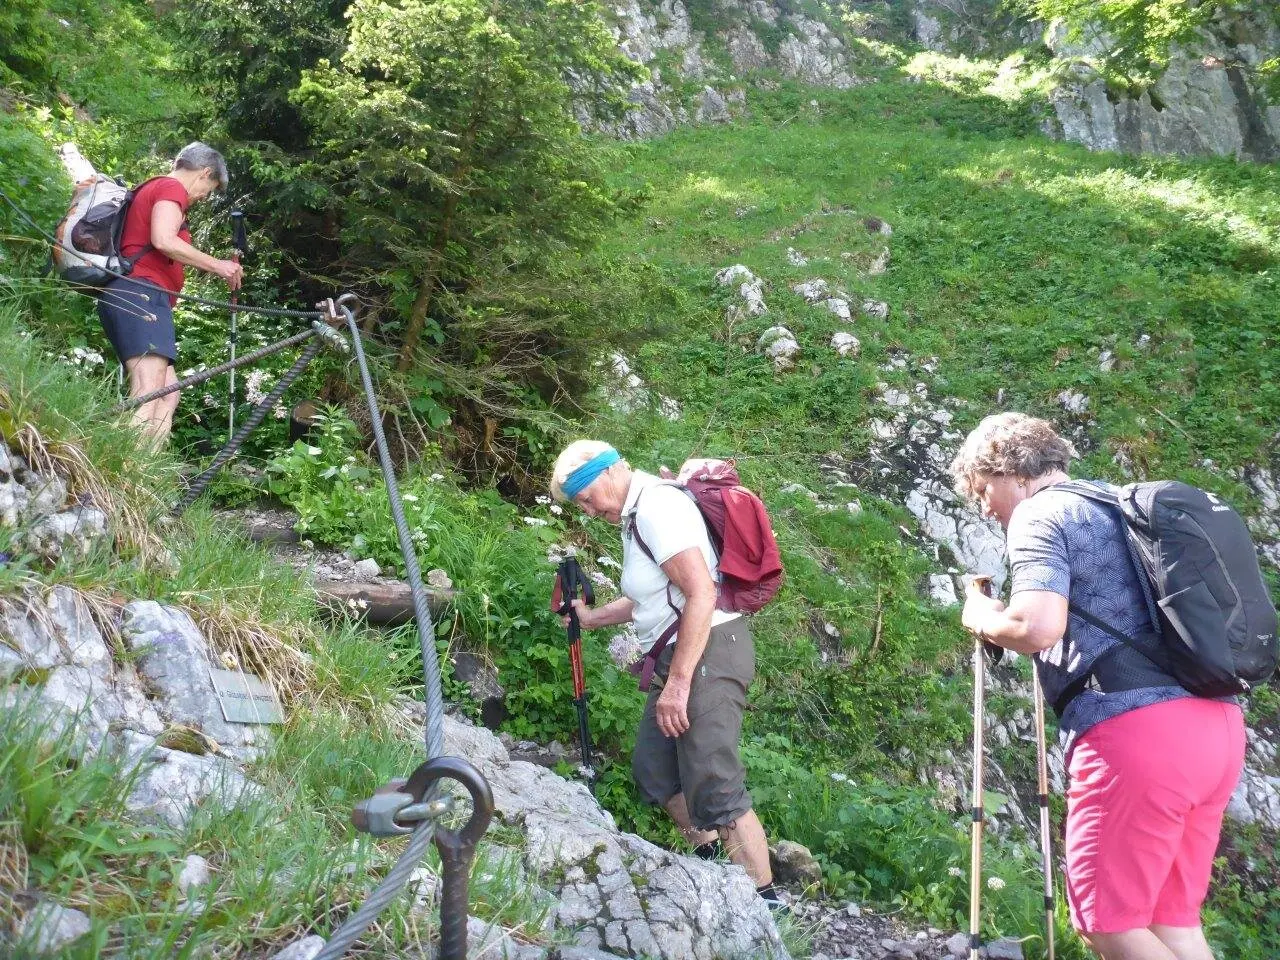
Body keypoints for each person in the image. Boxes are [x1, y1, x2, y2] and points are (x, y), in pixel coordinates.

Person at [950, 412, 1245, 960]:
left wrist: (981, 615)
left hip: (1139, 735)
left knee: (1106, 920)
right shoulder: (1120, 504)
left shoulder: (1041, 514)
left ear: (1009, 471)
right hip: (1216, 724)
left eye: (983, 490)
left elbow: (1035, 626)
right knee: (1170, 921)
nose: (985, 507)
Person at [550, 440, 783, 907]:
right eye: (579, 504)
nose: (588, 509)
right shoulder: (637, 514)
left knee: (714, 781)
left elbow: (701, 591)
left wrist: (678, 684)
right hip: (683, 652)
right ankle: (716, 866)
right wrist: (589, 617)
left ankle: (765, 907)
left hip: (708, 652)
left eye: (586, 497)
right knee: (655, 772)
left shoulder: (657, 508)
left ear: (609, 471)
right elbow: (649, 597)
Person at [97, 142, 244, 446]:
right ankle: (118, 473)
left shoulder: (152, 189)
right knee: (149, 390)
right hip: (141, 293)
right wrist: (219, 265)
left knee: (168, 394)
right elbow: (163, 239)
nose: (205, 196)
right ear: (204, 173)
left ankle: (143, 473)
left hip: (141, 297)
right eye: (210, 187)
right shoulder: (170, 188)